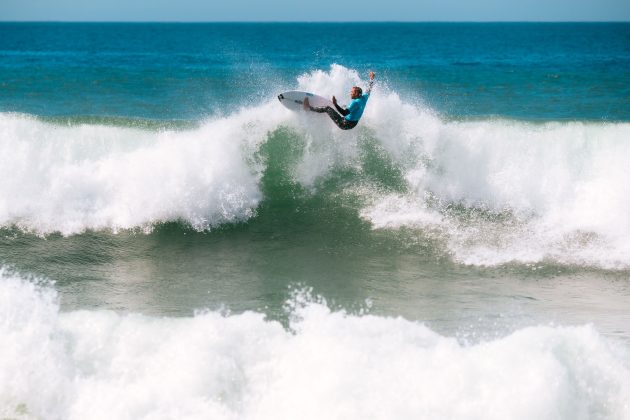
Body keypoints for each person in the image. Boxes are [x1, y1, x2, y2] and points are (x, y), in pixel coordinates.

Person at [303, 71, 375, 130]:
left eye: (352, 92)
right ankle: (330, 110)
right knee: (344, 106)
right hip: (354, 123)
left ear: (356, 93)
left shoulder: (355, 102)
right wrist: (371, 78)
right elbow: (369, 89)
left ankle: (308, 108)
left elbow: (344, 113)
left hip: (344, 124)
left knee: (327, 108)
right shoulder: (364, 97)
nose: (350, 93)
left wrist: (335, 104)